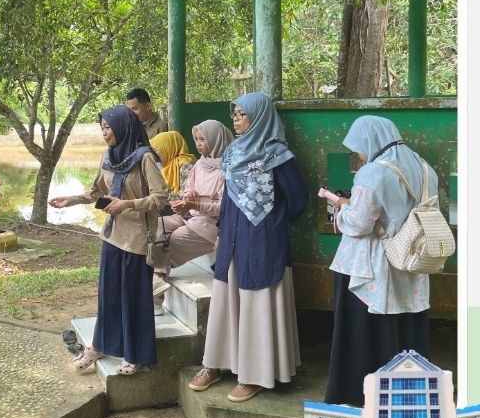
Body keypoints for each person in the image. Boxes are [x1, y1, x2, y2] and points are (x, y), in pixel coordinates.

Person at [188, 92, 308, 402]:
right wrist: (222, 230)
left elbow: (298, 200)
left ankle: (255, 374)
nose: (236, 120)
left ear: (260, 117)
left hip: (262, 238)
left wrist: (270, 223)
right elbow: (228, 196)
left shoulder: (277, 154)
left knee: (257, 298)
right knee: (226, 297)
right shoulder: (232, 152)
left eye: (242, 114)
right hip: (231, 235)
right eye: (235, 114)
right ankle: (216, 364)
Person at [322, 116, 436, 407]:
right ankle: (408, 395)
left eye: (359, 147)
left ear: (371, 140)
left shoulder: (373, 172)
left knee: (364, 330)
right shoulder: (424, 167)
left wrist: (342, 210)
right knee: (405, 326)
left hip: (371, 264)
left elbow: (359, 223)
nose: (359, 154)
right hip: (411, 258)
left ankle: (359, 394)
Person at [49, 105, 168, 375]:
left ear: (123, 126)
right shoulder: (109, 155)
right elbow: (97, 191)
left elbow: (161, 197)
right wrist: (71, 200)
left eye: (108, 127)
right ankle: (102, 345)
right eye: (102, 128)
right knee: (109, 296)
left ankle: (135, 354)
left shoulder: (144, 157)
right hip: (112, 236)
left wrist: (127, 204)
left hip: (137, 240)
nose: (104, 133)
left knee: (133, 299)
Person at [151, 121, 234, 307]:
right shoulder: (200, 164)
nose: (198, 143)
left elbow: (225, 208)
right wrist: (188, 197)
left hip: (211, 224)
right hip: (190, 215)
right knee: (156, 227)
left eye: (202, 139)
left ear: (216, 140)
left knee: (172, 240)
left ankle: (155, 297)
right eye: (196, 139)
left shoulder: (227, 169)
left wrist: (194, 204)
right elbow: (189, 188)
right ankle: (157, 282)